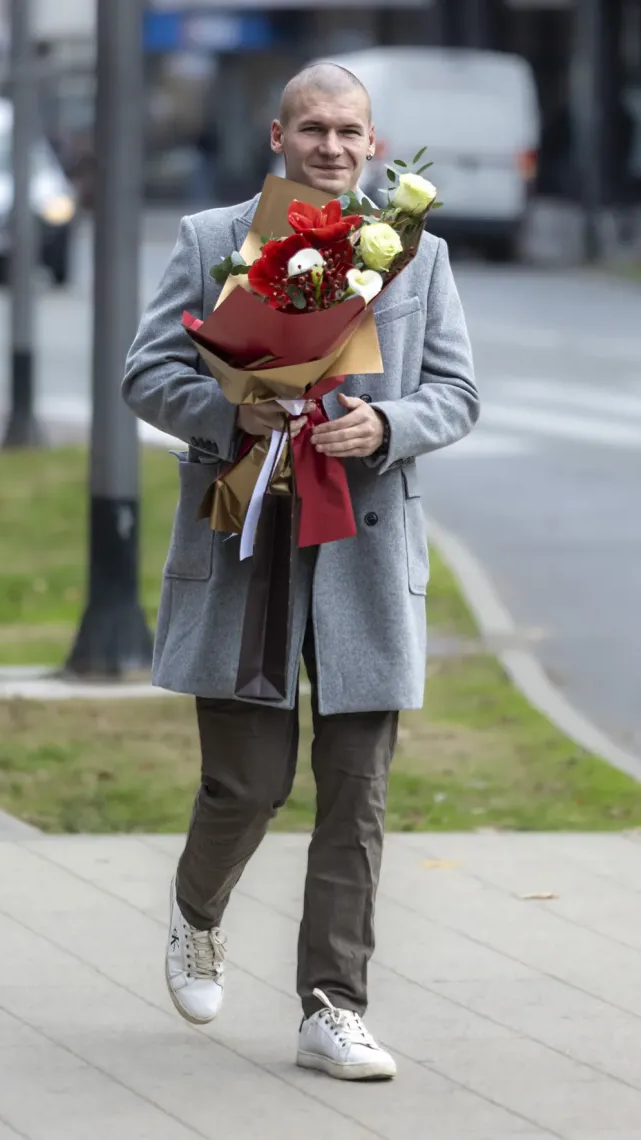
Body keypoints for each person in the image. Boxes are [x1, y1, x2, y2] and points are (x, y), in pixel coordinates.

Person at [123, 62, 478, 1081]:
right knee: (248, 784)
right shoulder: (211, 240)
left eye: (348, 131)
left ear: (374, 144)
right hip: (247, 542)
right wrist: (229, 410)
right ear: (277, 137)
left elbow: (457, 392)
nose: (331, 146)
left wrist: (389, 425)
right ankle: (196, 915)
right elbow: (147, 373)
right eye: (312, 128)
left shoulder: (416, 254)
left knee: (356, 793)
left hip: (364, 547)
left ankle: (333, 1007)